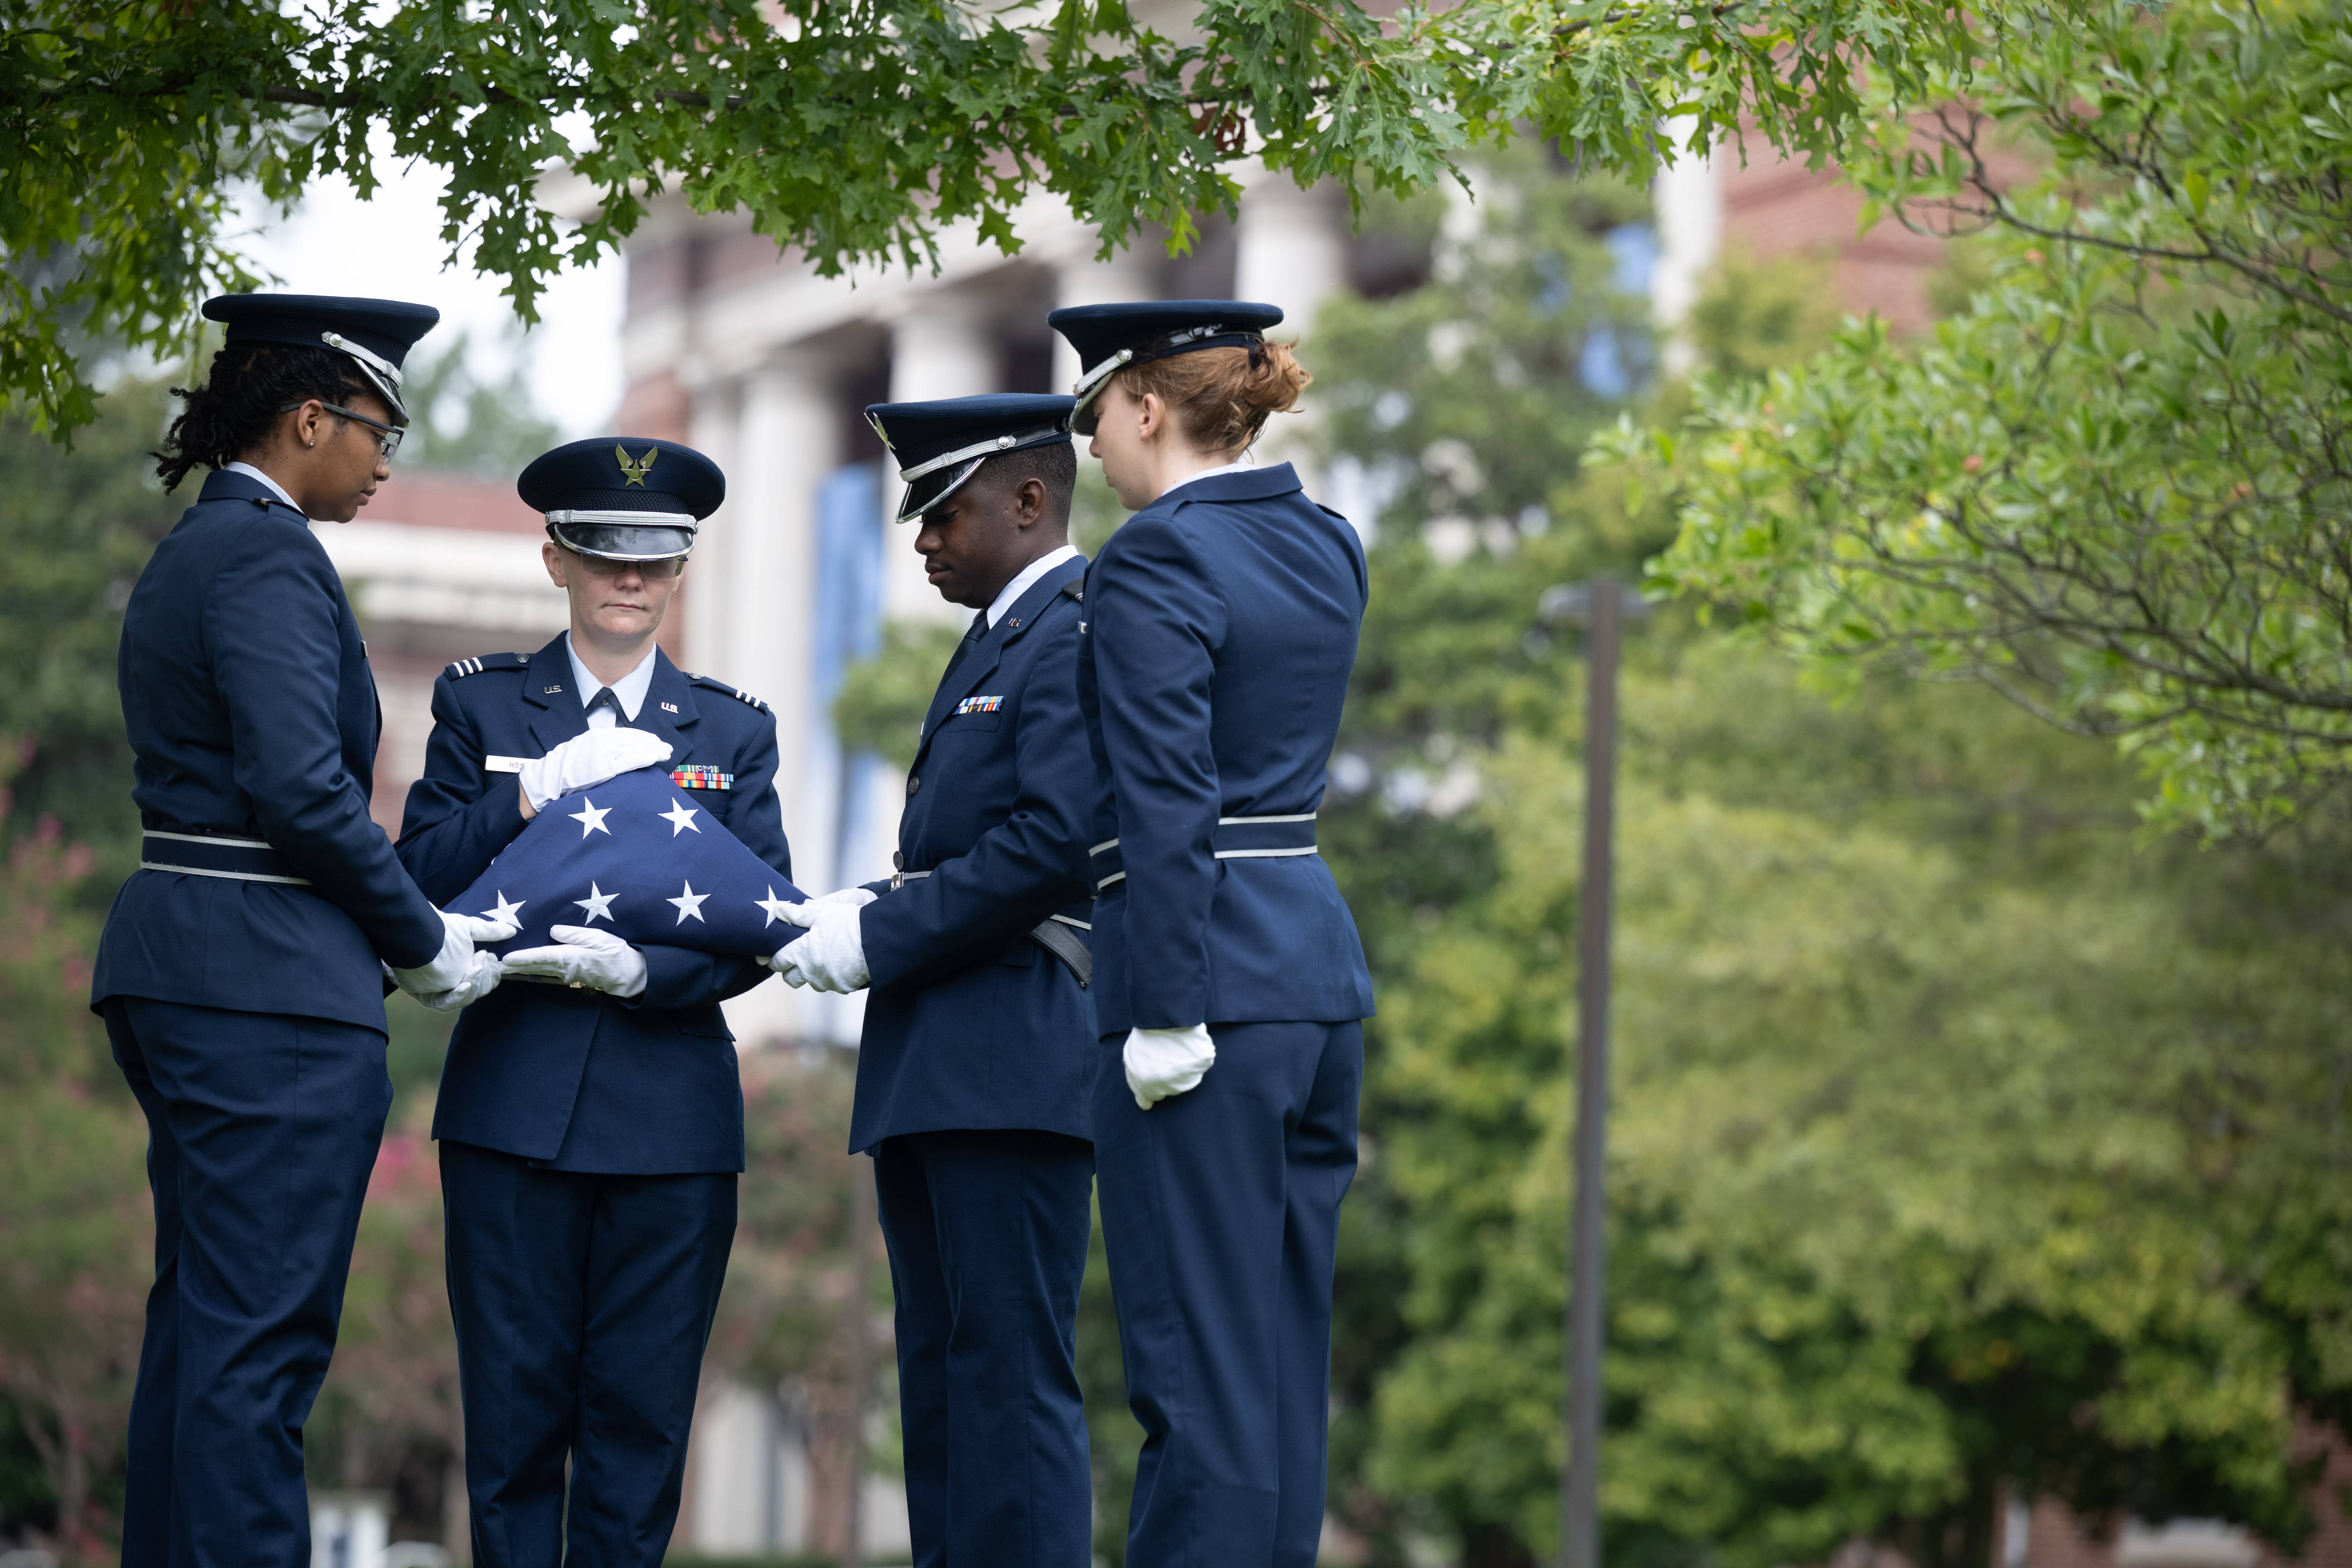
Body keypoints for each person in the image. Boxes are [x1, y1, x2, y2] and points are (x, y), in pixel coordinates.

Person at [92, 292, 517, 1568]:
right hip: (264, 989)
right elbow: (300, 788)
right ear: (308, 417)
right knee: (257, 1352)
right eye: (381, 428)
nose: (390, 457)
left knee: (204, 1335)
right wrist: (422, 936)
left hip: (191, 963)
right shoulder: (270, 556)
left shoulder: (197, 548)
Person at [392, 436, 790, 1567]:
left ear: (680, 572)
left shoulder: (731, 730)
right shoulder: (484, 710)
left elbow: (761, 922)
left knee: (641, 1434)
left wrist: (650, 974)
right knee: (513, 1437)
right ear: (556, 560)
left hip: (671, 1121)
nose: (631, 579)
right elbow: (419, 879)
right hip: (512, 1109)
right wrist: (525, 803)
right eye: (603, 553)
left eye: (656, 561)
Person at [1043, 300, 1377, 1568]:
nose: (1095, 452)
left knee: (1196, 1375)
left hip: (1204, 994)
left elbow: (1170, 795)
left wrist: (1167, 1004)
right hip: (1308, 978)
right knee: (1280, 1372)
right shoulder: (1327, 541)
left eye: (1096, 421)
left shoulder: (1150, 559)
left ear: (1140, 405)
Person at [771, 394, 1099, 1567]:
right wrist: (874, 910)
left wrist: (885, 932)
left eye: (943, 513)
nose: (921, 541)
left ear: (1027, 500)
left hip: (1010, 1055)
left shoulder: (1071, 626)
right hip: (947, 1060)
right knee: (949, 1394)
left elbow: (1053, 841)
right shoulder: (999, 635)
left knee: (1008, 1390)